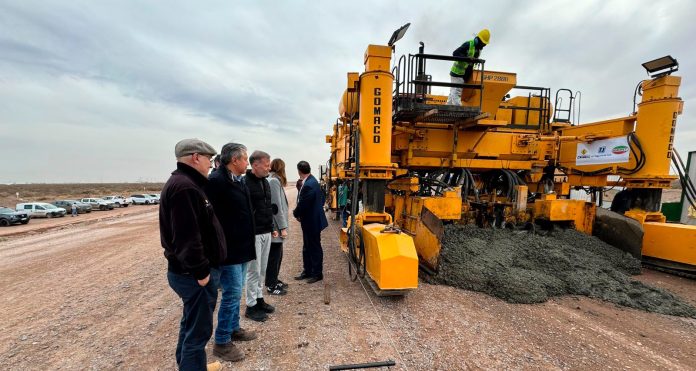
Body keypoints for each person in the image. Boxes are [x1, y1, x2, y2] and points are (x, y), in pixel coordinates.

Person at [159, 138, 225, 371]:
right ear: (196, 157)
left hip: (191, 274)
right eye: (209, 158)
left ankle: (189, 366)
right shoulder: (185, 187)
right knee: (198, 334)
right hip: (193, 275)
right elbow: (187, 237)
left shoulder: (188, 183)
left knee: (191, 325)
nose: (210, 164)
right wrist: (201, 272)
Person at [205, 143, 257, 362]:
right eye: (245, 159)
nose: (247, 163)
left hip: (242, 247)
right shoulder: (216, 182)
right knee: (232, 293)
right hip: (229, 250)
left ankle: (233, 328)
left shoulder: (237, 180)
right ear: (235, 160)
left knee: (238, 290)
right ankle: (222, 341)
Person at [243, 150, 275, 321]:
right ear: (255, 165)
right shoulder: (245, 183)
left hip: (266, 231)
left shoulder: (265, 182)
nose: (268, 167)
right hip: (253, 234)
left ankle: (259, 298)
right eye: (266, 164)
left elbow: (268, 207)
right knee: (253, 270)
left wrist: (272, 227)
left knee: (262, 269)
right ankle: (251, 305)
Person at [293, 161, 329, 284]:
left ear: (299, 171)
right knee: (307, 246)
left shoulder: (309, 184)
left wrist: (296, 213)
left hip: (312, 221)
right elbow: (322, 197)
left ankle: (317, 273)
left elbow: (303, 203)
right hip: (310, 220)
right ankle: (308, 271)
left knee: (313, 247)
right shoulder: (312, 181)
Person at [447, 28, 490, 106]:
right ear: (478, 40)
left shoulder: (478, 50)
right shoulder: (469, 44)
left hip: (463, 74)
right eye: (483, 43)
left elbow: (471, 64)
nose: (484, 46)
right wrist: (467, 58)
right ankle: (458, 110)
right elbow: (455, 53)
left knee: (453, 92)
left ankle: (446, 108)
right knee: (456, 92)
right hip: (457, 72)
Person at [265, 158, 289, 295]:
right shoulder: (274, 181)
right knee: (274, 255)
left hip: (275, 226)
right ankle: (271, 285)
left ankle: (274, 279)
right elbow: (276, 207)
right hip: (276, 226)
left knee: (277, 254)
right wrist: (283, 227)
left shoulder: (273, 179)